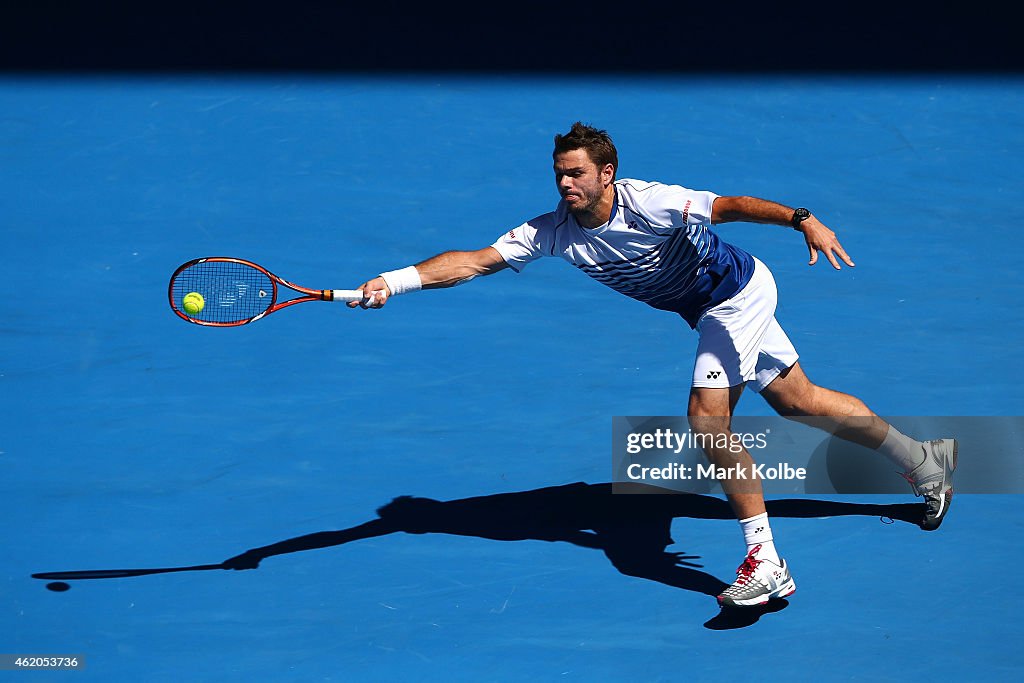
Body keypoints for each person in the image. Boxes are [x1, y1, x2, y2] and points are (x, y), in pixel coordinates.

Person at [347, 122, 957, 609]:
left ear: (606, 173)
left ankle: (766, 563)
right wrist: (395, 283)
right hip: (709, 308)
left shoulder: (652, 202)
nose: (564, 184)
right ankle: (922, 460)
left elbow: (731, 206)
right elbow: (475, 262)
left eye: (576, 174)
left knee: (706, 422)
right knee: (800, 401)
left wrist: (802, 218)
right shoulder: (555, 232)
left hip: (735, 295)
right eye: (559, 174)